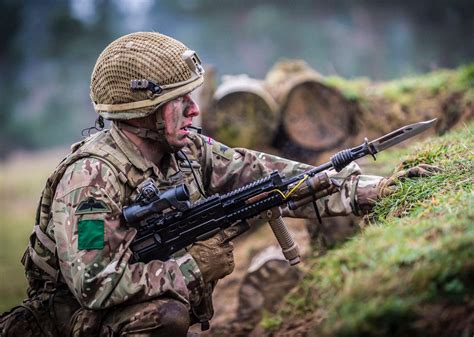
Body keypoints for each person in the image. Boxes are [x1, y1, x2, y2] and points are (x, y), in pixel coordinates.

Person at [0, 32, 437, 337]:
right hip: (67, 321)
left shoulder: (189, 149)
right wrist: (191, 266)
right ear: (141, 114)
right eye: (179, 102)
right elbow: (94, 285)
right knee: (164, 317)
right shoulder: (89, 183)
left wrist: (370, 190)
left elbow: (277, 181)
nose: (194, 110)